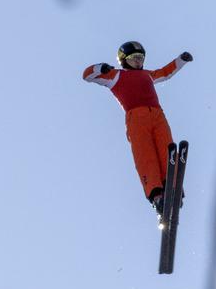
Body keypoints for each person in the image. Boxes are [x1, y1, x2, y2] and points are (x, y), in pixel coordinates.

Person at [82, 41, 193, 215]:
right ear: (123, 59)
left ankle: (172, 188)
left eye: (141, 58)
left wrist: (181, 60)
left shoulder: (147, 75)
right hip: (136, 118)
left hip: (157, 115)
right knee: (145, 154)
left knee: (166, 147)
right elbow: (87, 75)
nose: (138, 62)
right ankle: (157, 195)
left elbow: (165, 73)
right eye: (134, 58)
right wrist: (100, 67)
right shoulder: (115, 75)